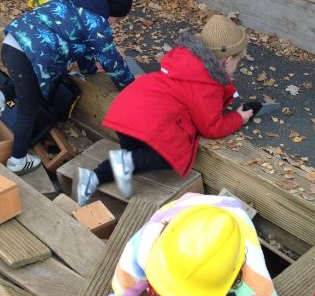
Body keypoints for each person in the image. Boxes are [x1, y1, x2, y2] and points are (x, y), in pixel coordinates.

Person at [74, 14, 254, 205]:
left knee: (133, 160)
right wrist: (238, 118)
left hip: (128, 107)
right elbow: (211, 127)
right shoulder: (206, 85)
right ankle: (122, 164)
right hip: (148, 120)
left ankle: (92, 177)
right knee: (168, 157)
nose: (237, 66)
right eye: (237, 61)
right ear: (227, 61)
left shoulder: (185, 59)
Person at [0, 0, 135, 174]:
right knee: (29, 108)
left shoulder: (74, 2)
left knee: (28, 82)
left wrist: (89, 69)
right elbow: (112, 61)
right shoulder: (98, 23)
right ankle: (17, 160)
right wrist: (130, 87)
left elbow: (85, 46)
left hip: (12, 42)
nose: (113, 26)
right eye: (116, 21)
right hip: (30, 55)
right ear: (111, 9)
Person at [92, 193, 279, 296]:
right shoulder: (149, 239)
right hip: (189, 210)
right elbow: (130, 265)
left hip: (229, 226)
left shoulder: (254, 285)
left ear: (233, 282)